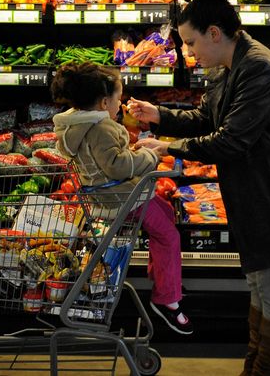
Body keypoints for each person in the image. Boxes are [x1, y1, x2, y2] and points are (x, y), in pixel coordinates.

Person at [131, 0, 270, 375]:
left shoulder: (258, 68)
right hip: (257, 188)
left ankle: (264, 370)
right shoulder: (230, 64)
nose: (187, 53)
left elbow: (231, 140)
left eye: (191, 43)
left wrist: (168, 148)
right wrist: (159, 117)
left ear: (214, 33)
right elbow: (207, 118)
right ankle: (255, 365)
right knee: (261, 282)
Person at [50, 63, 193, 335]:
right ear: (104, 102)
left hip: (115, 194)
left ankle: (166, 277)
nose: (122, 104)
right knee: (169, 236)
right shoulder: (101, 128)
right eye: (119, 98)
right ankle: (166, 300)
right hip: (121, 198)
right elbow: (116, 165)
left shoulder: (80, 124)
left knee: (164, 212)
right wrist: (149, 155)